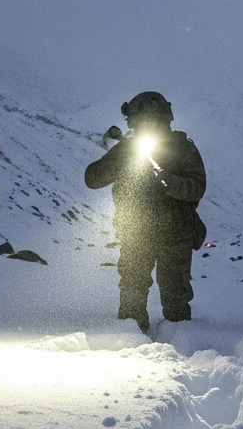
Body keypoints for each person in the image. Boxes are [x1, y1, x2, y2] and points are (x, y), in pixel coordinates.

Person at [85, 91, 207, 332]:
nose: (146, 124)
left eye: (152, 120)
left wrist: (170, 182)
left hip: (177, 233)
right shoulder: (126, 149)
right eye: (141, 121)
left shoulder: (183, 148)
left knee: (175, 296)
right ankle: (130, 338)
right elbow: (92, 179)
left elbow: (197, 188)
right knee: (132, 288)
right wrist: (119, 160)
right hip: (136, 232)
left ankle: (180, 340)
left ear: (164, 119)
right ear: (132, 122)